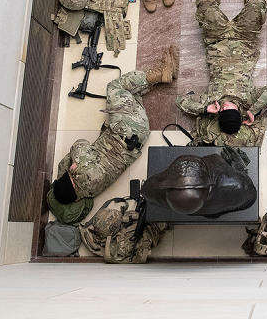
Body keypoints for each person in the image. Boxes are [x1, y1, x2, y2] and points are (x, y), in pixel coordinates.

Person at [48, 48, 179, 224]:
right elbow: (80, 144)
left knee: (130, 93)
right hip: (125, 130)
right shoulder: (84, 173)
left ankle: (164, 74)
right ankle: (160, 73)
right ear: (70, 181)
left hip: (135, 137)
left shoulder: (89, 192)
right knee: (114, 87)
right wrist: (73, 166)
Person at [176, 0, 267, 146]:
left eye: (222, 111)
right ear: (238, 111)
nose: (223, 107)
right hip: (245, 39)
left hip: (216, 39)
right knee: (258, 2)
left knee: (204, 0)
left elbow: (180, 102)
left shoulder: (210, 102)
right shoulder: (250, 100)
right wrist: (253, 110)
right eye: (228, 109)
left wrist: (204, 109)